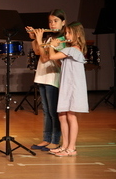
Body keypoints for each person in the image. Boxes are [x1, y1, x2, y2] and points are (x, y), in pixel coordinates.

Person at [25, 9, 67, 151]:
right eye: (50, 21)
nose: (52, 24)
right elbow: (38, 52)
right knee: (46, 111)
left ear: (63, 23)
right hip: (43, 76)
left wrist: (39, 39)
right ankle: (46, 138)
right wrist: (33, 38)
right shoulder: (50, 38)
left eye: (56, 21)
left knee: (53, 111)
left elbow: (45, 57)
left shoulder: (61, 40)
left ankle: (55, 140)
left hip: (53, 78)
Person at [48, 21, 89, 157]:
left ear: (77, 35)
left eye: (69, 32)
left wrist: (51, 46)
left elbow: (52, 56)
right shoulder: (69, 50)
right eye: (65, 32)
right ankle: (65, 145)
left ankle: (72, 147)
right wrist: (56, 48)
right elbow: (60, 63)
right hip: (67, 85)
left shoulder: (73, 49)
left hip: (73, 86)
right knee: (62, 115)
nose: (66, 35)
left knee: (71, 115)